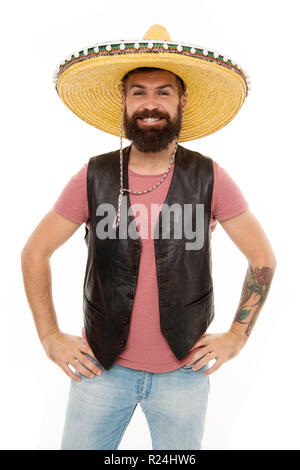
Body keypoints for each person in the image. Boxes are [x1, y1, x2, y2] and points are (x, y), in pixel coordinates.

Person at [21, 25, 277, 450]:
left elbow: (262, 259)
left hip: (183, 374)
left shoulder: (209, 176)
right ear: (124, 101)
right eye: (139, 92)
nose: (150, 104)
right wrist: (50, 337)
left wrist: (235, 337)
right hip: (99, 368)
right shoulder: (93, 175)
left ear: (181, 101)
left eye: (163, 92)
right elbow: (35, 252)